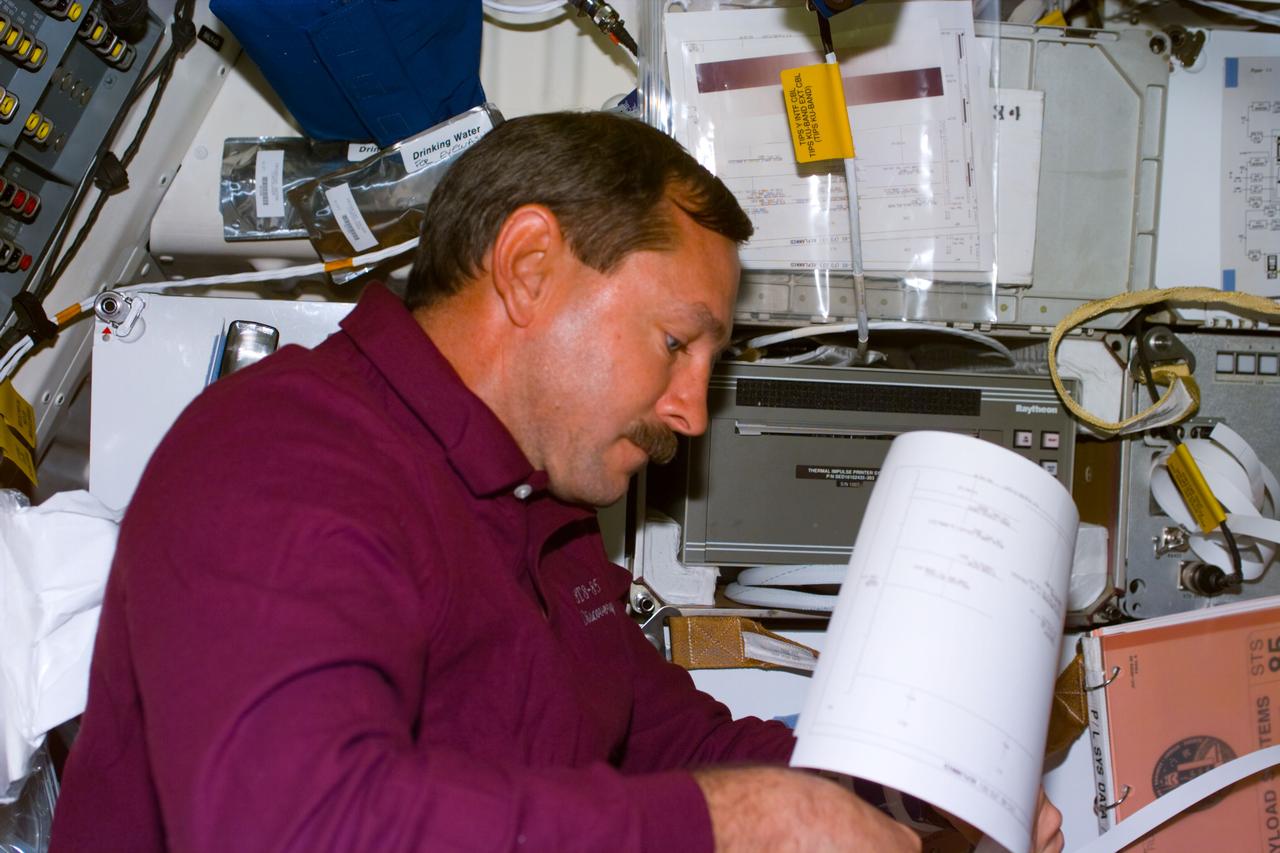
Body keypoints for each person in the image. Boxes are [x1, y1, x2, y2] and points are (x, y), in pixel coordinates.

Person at [51, 111, 1063, 852]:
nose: (690, 412)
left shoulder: (541, 514)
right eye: (675, 343)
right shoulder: (281, 456)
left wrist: (903, 792)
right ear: (529, 267)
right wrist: (739, 822)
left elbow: (661, 740)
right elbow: (286, 826)